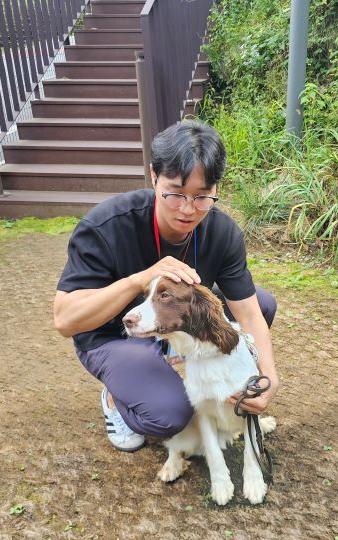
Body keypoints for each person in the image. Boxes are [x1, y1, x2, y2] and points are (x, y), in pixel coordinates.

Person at [53, 121, 279, 451]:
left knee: (263, 303)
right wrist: (138, 279)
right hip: (114, 334)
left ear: (216, 188)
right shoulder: (107, 225)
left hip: (174, 320)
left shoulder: (223, 232)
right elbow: (65, 320)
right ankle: (117, 397)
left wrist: (268, 377)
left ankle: (180, 359)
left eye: (202, 197)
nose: (188, 209)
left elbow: (250, 315)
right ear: (153, 176)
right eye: (175, 193)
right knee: (170, 414)